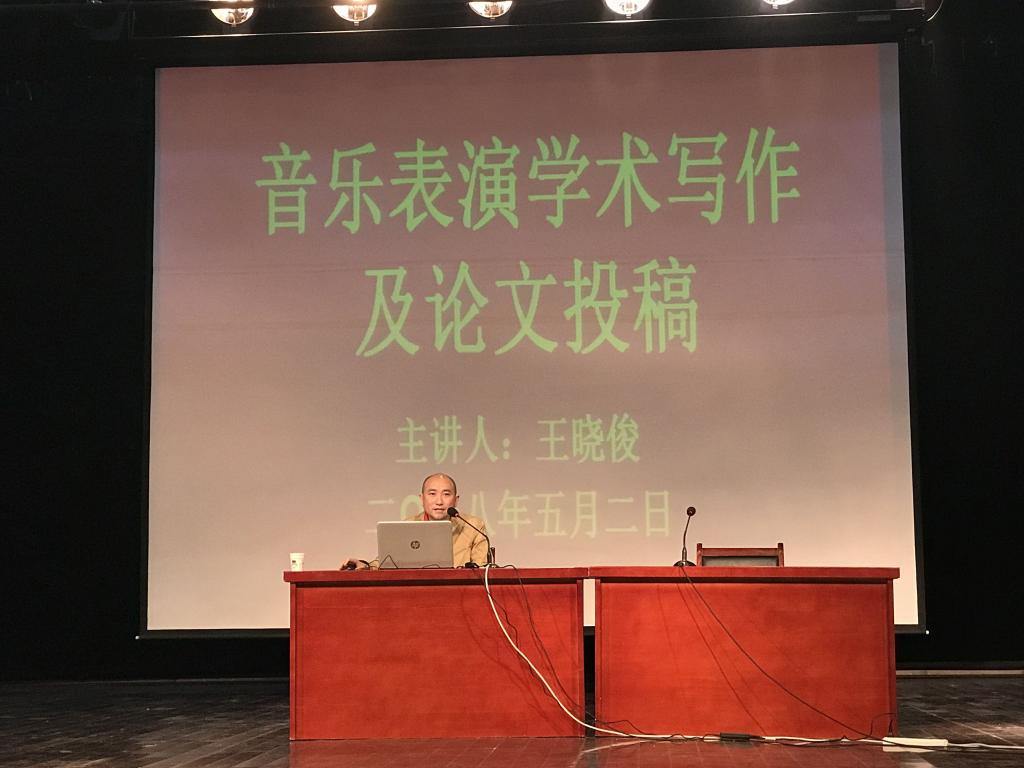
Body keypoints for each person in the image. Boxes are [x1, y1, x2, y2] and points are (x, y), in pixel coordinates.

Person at [342, 473, 490, 569]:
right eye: (432, 494)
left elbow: (482, 569)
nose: (439, 501)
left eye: (446, 494)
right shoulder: (408, 525)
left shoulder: (473, 526)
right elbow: (387, 560)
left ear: (456, 500)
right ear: (422, 499)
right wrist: (365, 566)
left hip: (459, 595)